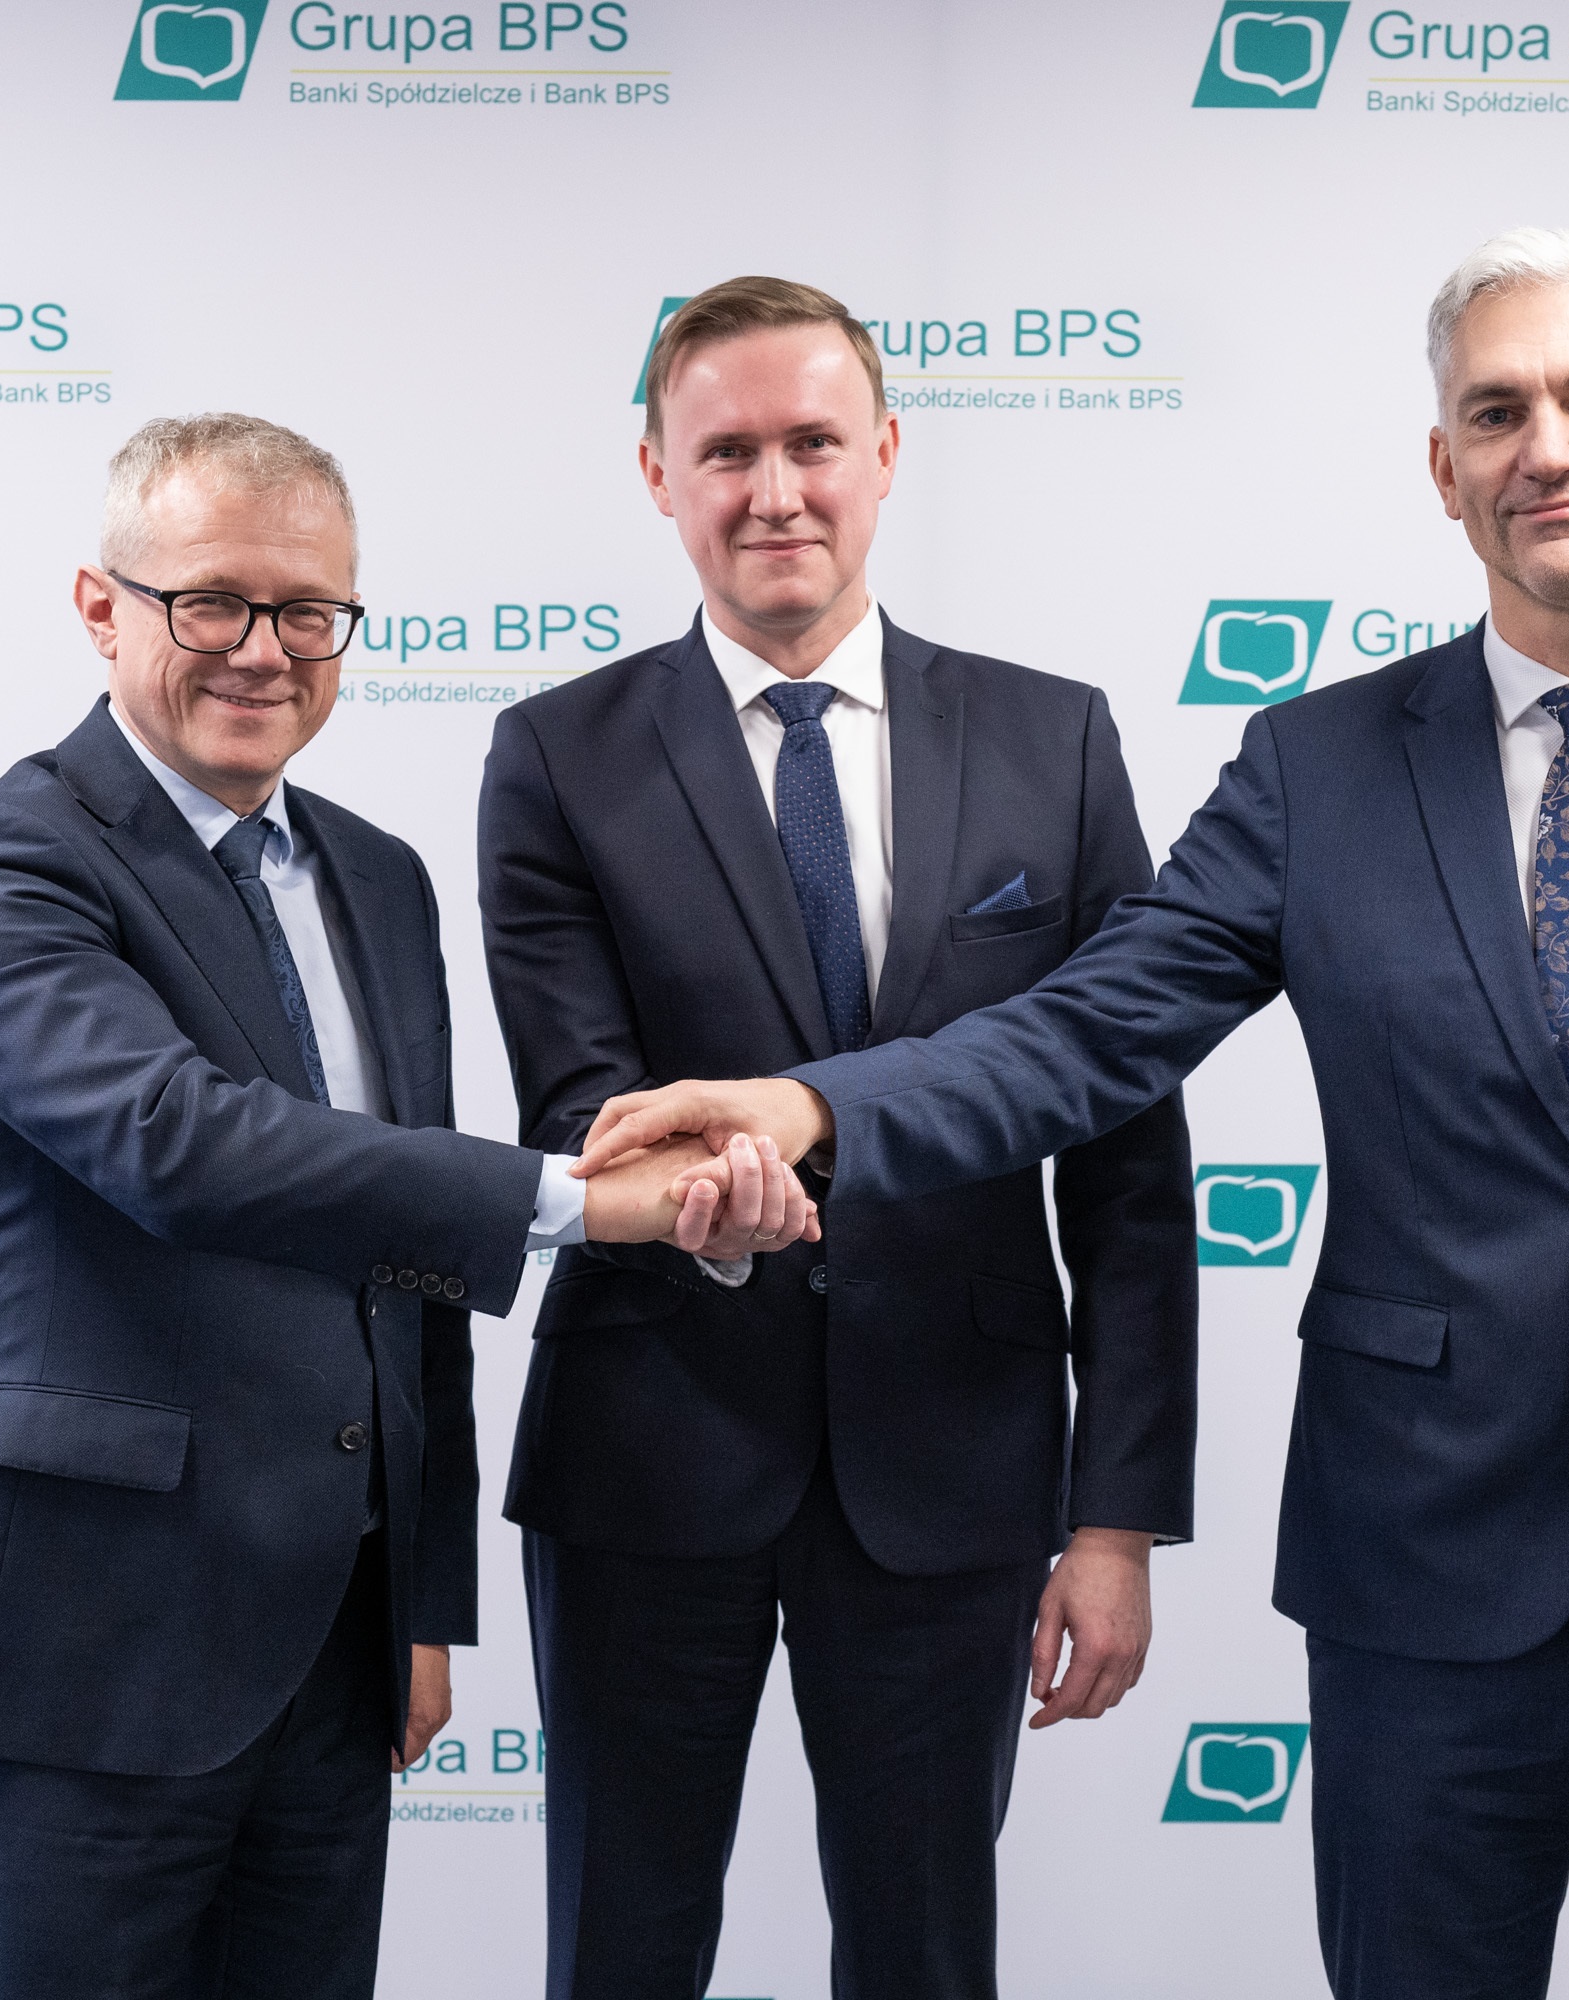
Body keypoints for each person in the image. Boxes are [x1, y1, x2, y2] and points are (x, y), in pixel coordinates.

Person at [577, 231, 1569, 1999]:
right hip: (1422, 1570)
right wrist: (809, 1104)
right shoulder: (1315, 765)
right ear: (1444, 468)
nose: (1548, 448)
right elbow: (1083, 1034)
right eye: (1497, 412)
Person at [0, 412, 815, 2000]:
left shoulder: (377, 877)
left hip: (333, 1649)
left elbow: (407, 1262)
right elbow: (180, 1144)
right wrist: (589, 1202)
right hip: (86, 1649)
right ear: (103, 607)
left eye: (309, 612)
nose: (264, 650)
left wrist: (420, 1601)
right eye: (213, 602)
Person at [477, 277, 1198, 2000]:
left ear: (884, 454)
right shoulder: (557, 754)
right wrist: (710, 1204)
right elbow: (579, 1111)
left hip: (956, 1463)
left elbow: (1127, 1163)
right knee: (621, 1950)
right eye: (726, 451)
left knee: (926, 1957)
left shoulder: (1053, 737)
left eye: (813, 442)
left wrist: (1115, 1522)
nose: (774, 490)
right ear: (658, 475)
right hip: (648, 1456)